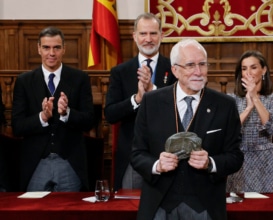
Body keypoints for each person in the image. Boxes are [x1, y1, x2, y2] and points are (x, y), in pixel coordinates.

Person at [130, 38, 244, 220]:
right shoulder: (151, 102)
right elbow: (137, 154)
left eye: (202, 64)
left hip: (205, 205)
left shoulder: (225, 105)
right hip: (159, 203)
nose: (198, 72)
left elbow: (236, 157)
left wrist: (211, 163)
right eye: (190, 65)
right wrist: (157, 165)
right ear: (175, 70)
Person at [11, 26, 95, 192]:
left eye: (56, 47)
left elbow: (89, 121)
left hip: (69, 163)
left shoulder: (80, 79)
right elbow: (17, 127)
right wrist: (42, 117)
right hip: (36, 164)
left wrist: (67, 113)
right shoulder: (24, 81)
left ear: (64, 49)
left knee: (69, 213)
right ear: (38, 49)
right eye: (46, 47)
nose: (51, 53)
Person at [104, 13, 176, 191]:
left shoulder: (175, 68)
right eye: (143, 34)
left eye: (153, 33)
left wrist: (153, 91)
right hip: (133, 156)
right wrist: (136, 99)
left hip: (168, 155)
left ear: (161, 35)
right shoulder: (120, 71)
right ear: (134, 36)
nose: (148, 39)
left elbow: (180, 108)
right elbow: (110, 114)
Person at [226, 50, 273, 193]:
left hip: (265, 162)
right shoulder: (231, 99)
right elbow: (229, 130)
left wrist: (255, 99)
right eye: (244, 69)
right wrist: (248, 108)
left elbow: (272, 128)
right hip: (239, 161)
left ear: (263, 70)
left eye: (253, 67)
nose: (248, 72)